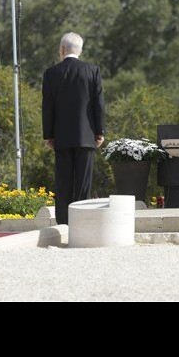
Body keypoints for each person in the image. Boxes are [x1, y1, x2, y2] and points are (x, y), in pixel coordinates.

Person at [42, 32, 105, 225]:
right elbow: (98, 104)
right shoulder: (92, 70)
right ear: (80, 50)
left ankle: (63, 223)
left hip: (61, 138)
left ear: (62, 49)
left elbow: (47, 107)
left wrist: (49, 135)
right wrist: (99, 132)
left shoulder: (51, 73)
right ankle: (82, 223)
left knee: (63, 184)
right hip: (86, 137)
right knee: (83, 185)